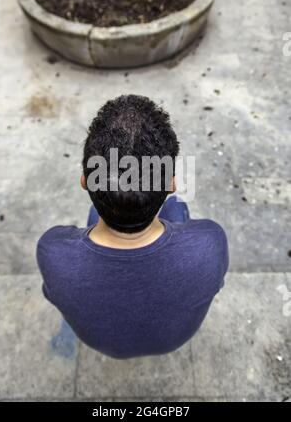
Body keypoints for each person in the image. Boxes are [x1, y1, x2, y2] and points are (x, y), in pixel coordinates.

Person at [37, 95, 229, 359]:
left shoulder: (52, 251)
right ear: (171, 183)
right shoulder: (211, 243)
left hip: (102, 345)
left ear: (84, 181)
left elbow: (53, 293)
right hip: (173, 341)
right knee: (177, 208)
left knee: (95, 214)